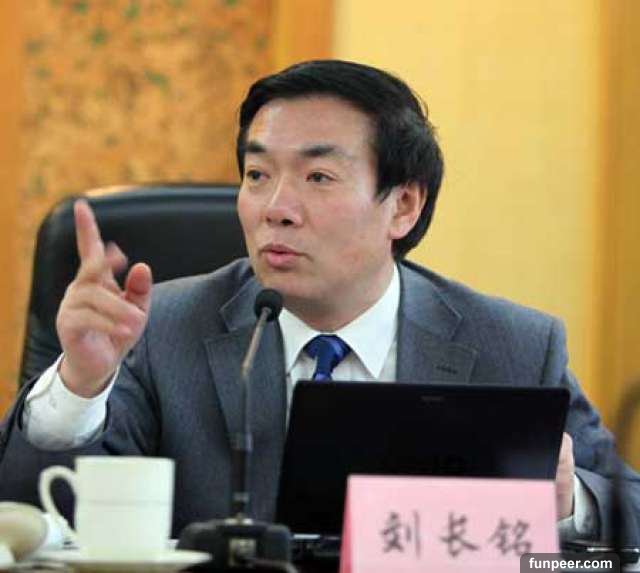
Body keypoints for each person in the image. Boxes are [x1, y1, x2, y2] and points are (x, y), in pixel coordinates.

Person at [0, 60, 637, 542]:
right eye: (257, 175)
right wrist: (80, 385)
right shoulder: (161, 330)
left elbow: (627, 510)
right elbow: (36, 522)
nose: (275, 208)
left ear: (403, 205)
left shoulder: (511, 345)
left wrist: (566, 503)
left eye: (318, 177)